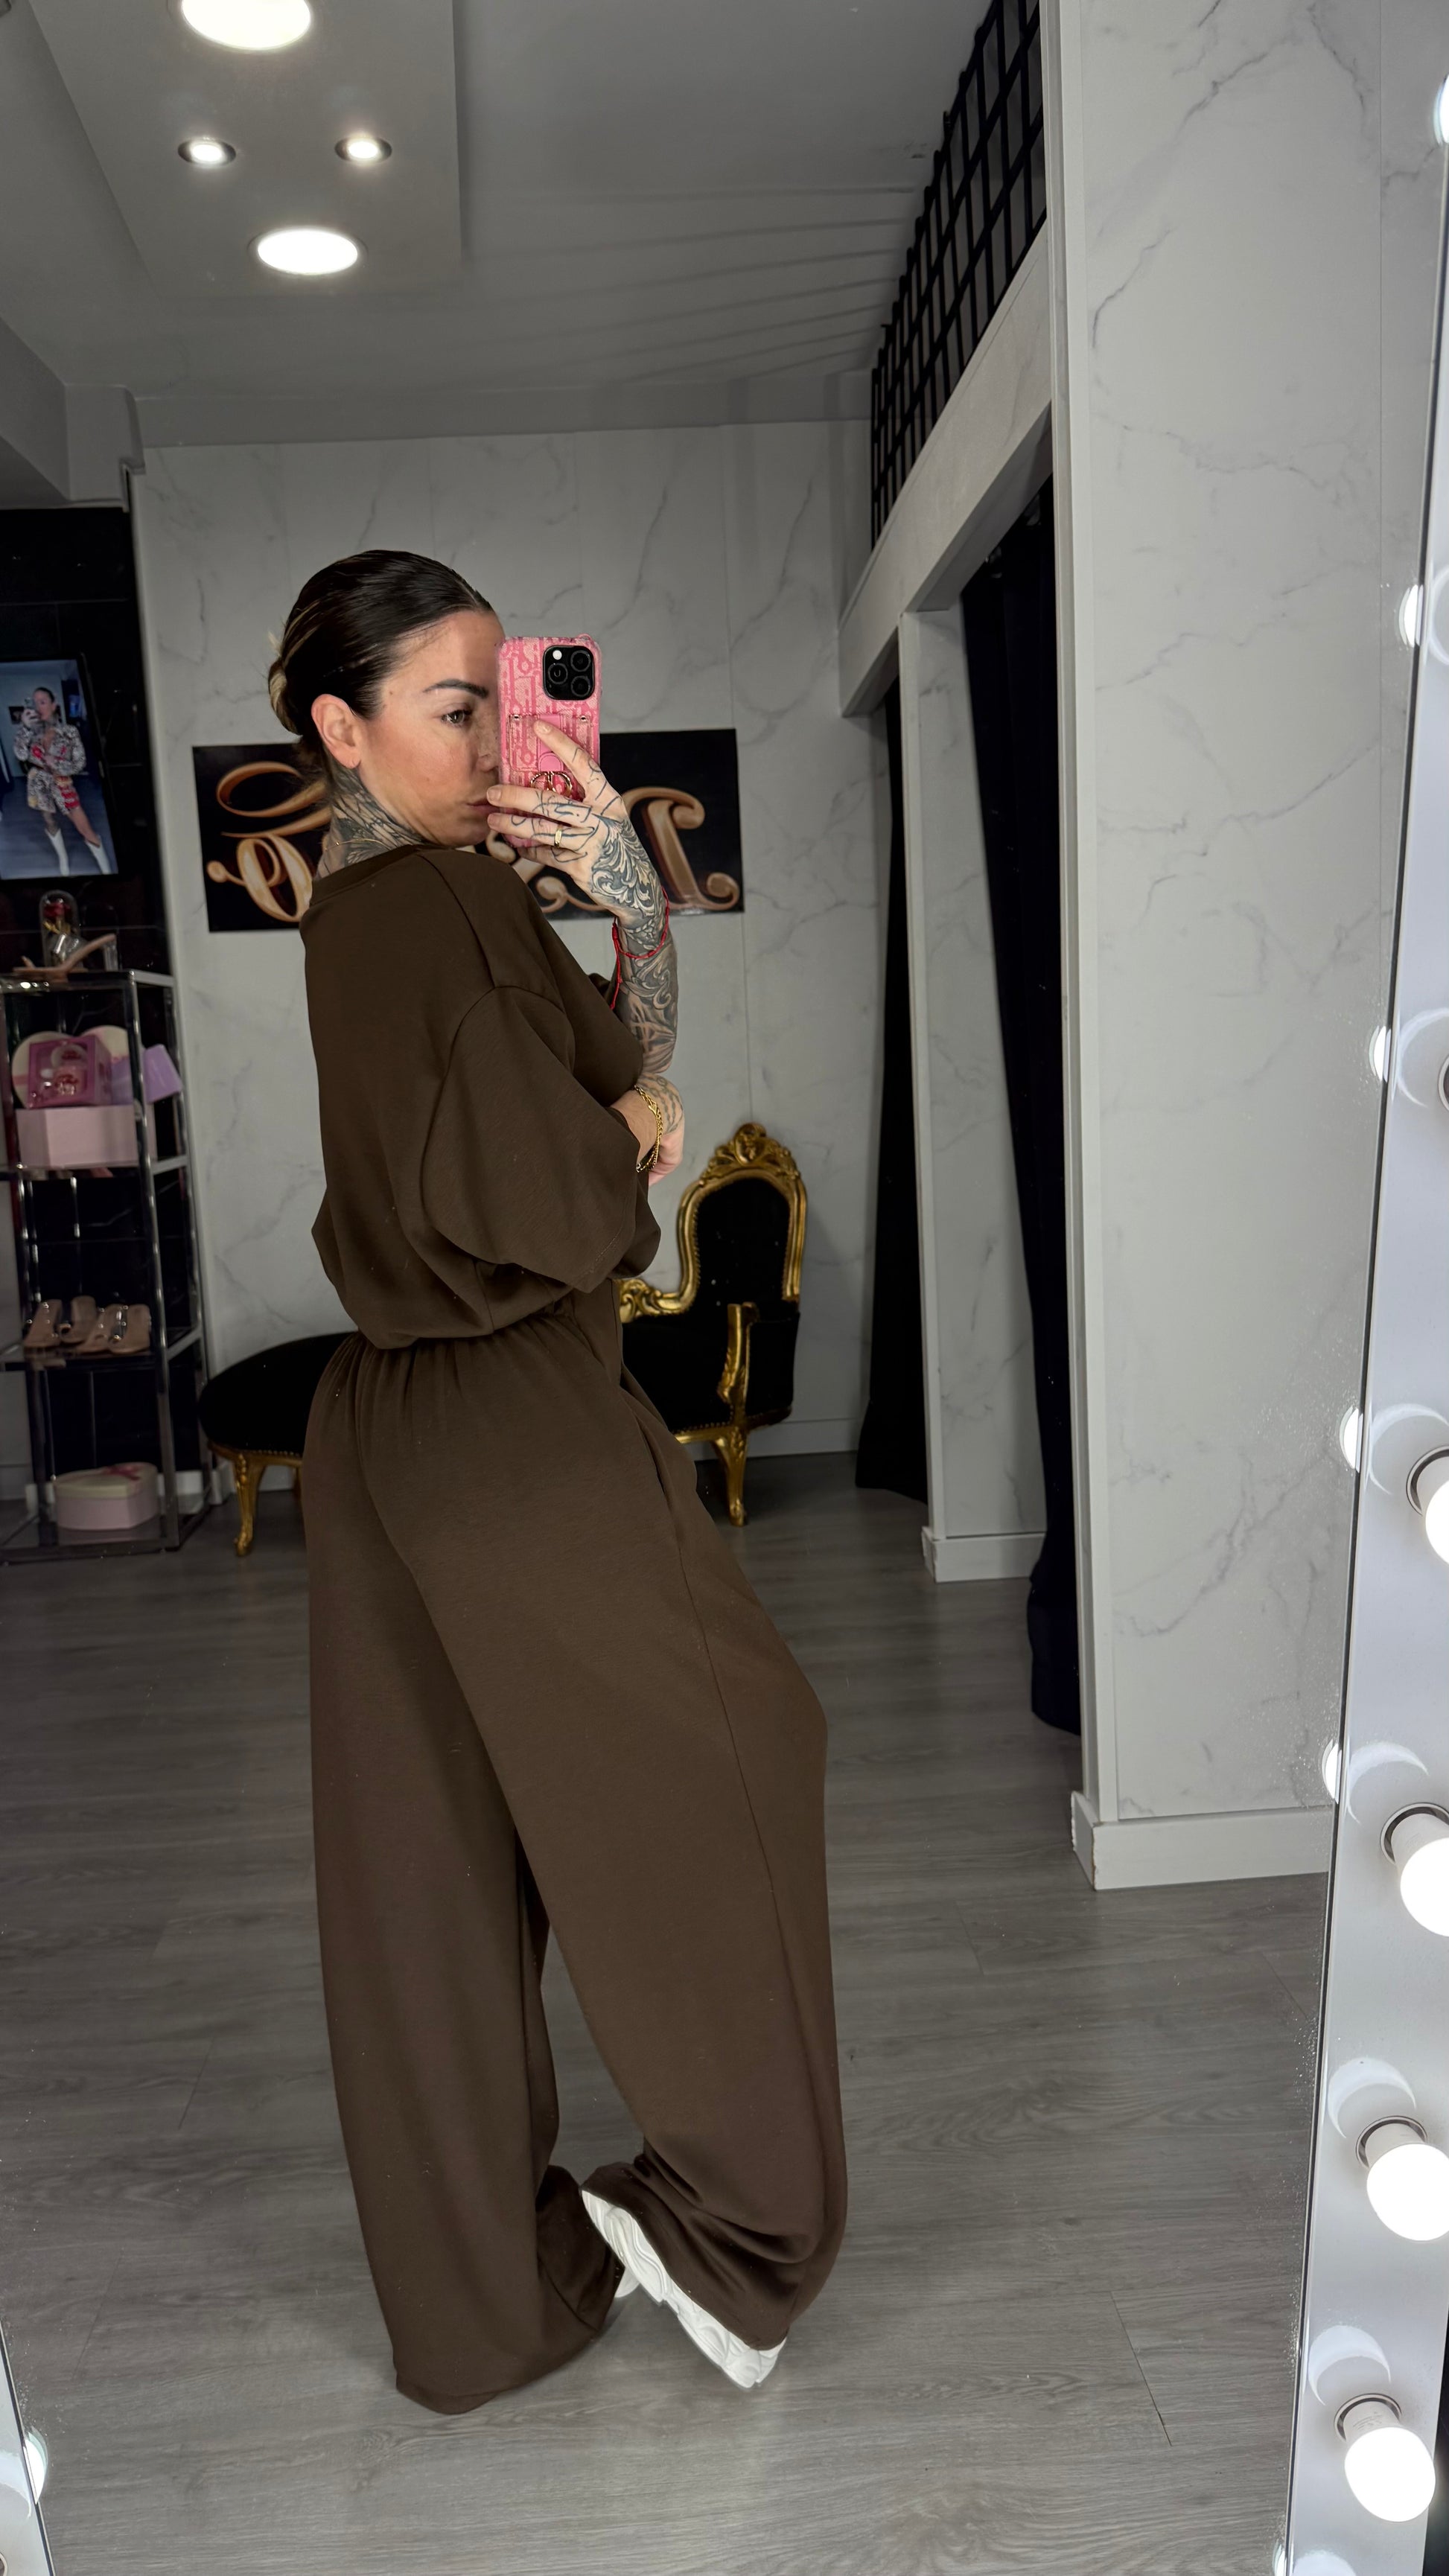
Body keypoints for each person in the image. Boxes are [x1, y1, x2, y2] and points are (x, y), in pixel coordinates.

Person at [274, 549, 846, 2415]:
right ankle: (735, 2232)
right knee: (740, 1750)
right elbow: (582, 1186)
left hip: (389, 1425)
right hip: (517, 1404)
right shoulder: (436, 903)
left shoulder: (381, 910)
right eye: (453, 709)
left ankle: (480, 2310)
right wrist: (623, 1133)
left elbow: (623, 1091)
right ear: (341, 724)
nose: (489, 743)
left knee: (429, 1873)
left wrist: (626, 907)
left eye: (497, 701)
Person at [13, 686, 112, 873]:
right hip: (39, 782)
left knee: (85, 828)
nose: (38, 707)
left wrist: (57, 763)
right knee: (49, 820)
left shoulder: (69, 731)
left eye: (42, 702)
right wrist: (24, 728)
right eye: (34, 703)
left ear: (54, 705)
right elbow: (21, 754)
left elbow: (80, 763)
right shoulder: (30, 732)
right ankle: (63, 859)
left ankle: (106, 870)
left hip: (61, 781)